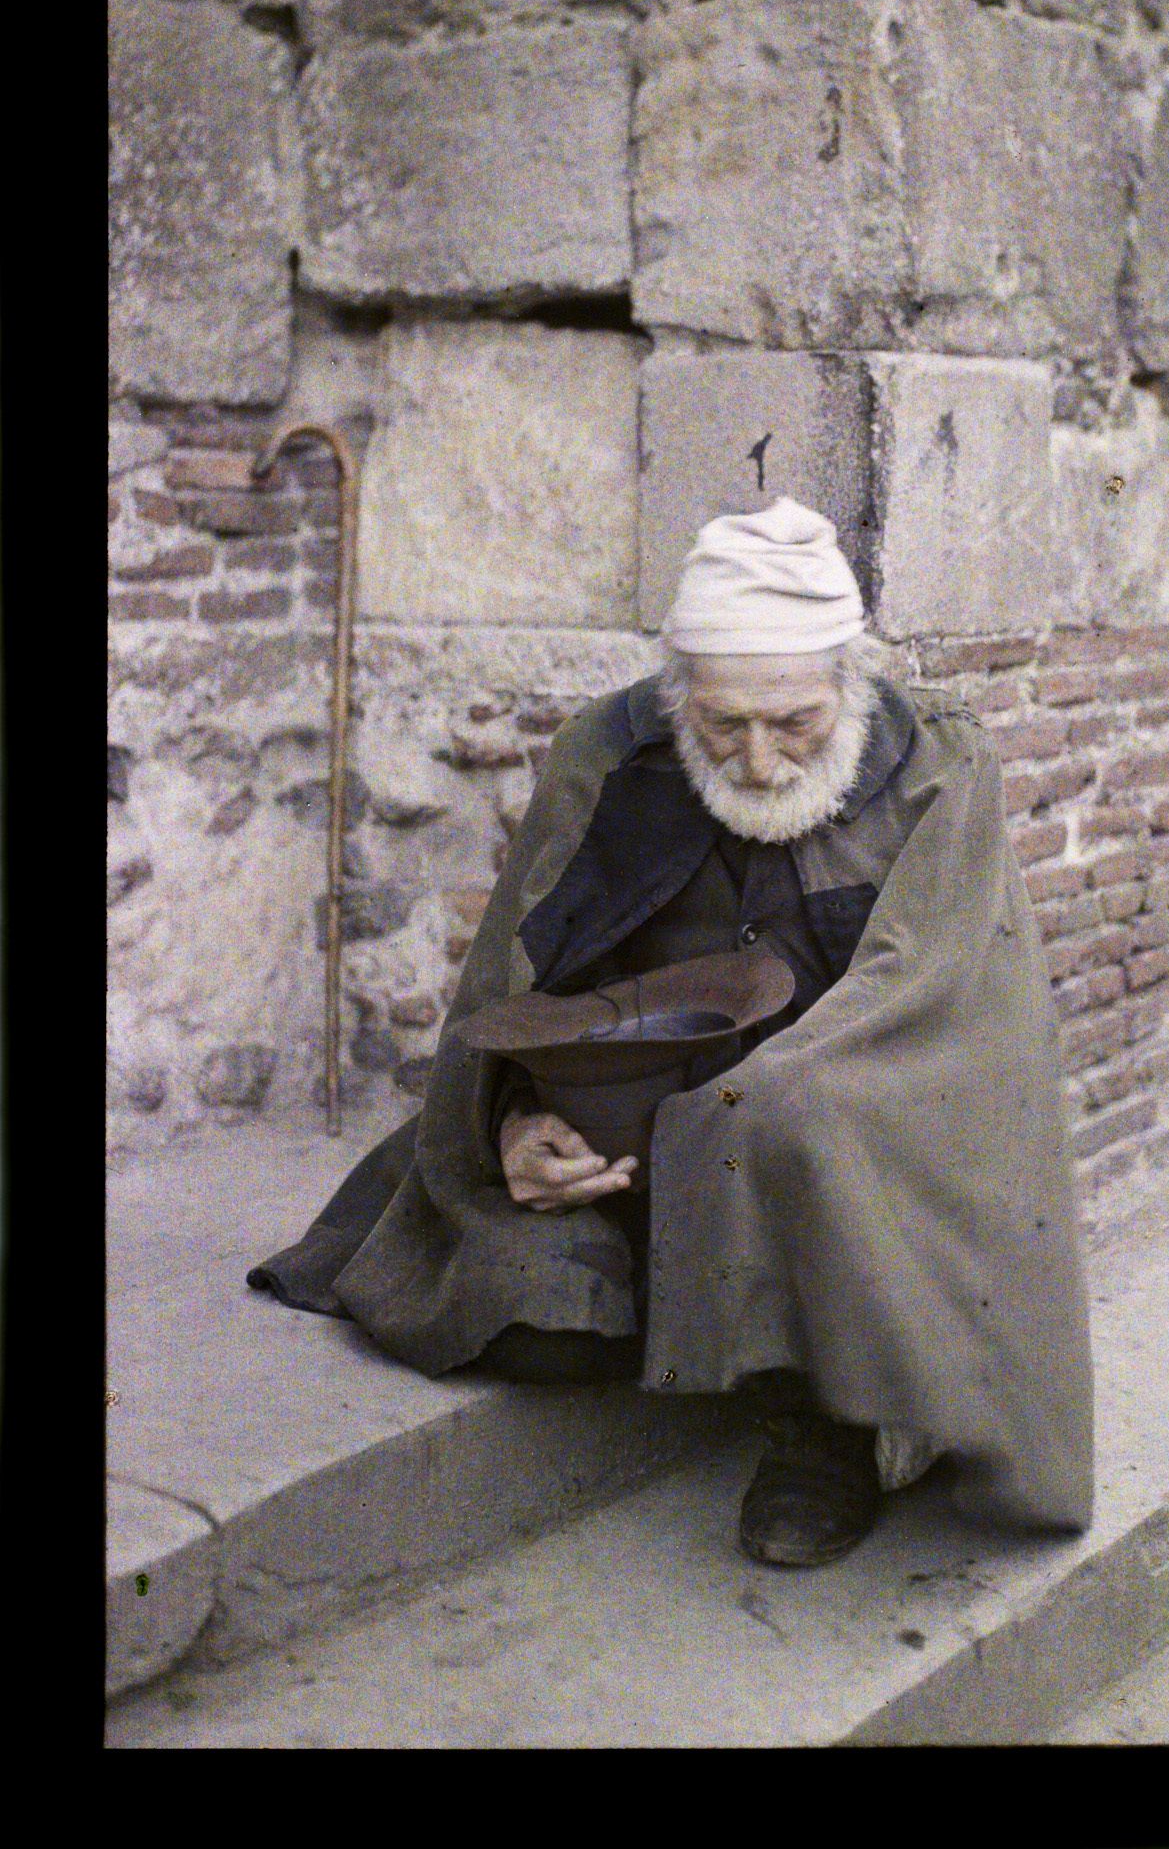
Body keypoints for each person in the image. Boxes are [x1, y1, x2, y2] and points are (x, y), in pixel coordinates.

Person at [250, 496, 1094, 1567]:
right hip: (628, 1144)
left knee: (799, 1130)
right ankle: (700, 1297)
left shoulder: (938, 764)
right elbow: (520, 983)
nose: (757, 760)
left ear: (850, 682)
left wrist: (744, 1115)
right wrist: (518, 1122)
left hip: (829, 1147)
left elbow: (930, 1002)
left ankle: (822, 1426)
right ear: (675, 690)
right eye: (721, 723)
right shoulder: (604, 753)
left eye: (795, 724)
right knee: (532, 1325)